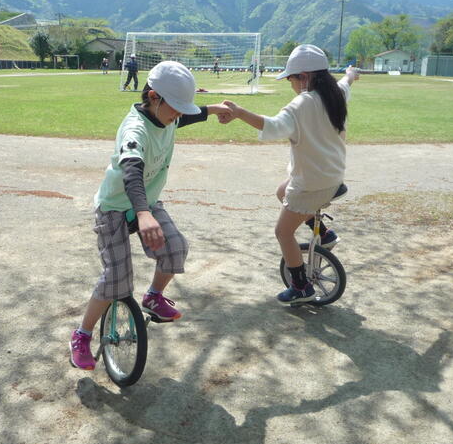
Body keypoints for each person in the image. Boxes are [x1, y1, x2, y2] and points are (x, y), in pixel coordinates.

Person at [69, 61, 233, 370]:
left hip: (147, 202)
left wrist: (214, 109)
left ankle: (154, 296)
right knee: (116, 279)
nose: (179, 115)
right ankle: (82, 335)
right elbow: (132, 173)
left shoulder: (165, 115)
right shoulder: (135, 130)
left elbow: (186, 116)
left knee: (176, 248)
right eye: (176, 108)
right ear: (154, 96)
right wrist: (143, 214)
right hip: (115, 206)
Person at [221, 44, 359, 304]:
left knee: (283, 233)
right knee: (281, 191)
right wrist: (351, 73)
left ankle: (301, 286)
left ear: (304, 77)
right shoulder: (336, 93)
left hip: (312, 184)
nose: (291, 85)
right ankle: (325, 234)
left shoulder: (302, 104)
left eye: (291, 79)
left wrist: (239, 113)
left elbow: (273, 126)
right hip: (333, 177)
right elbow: (346, 81)